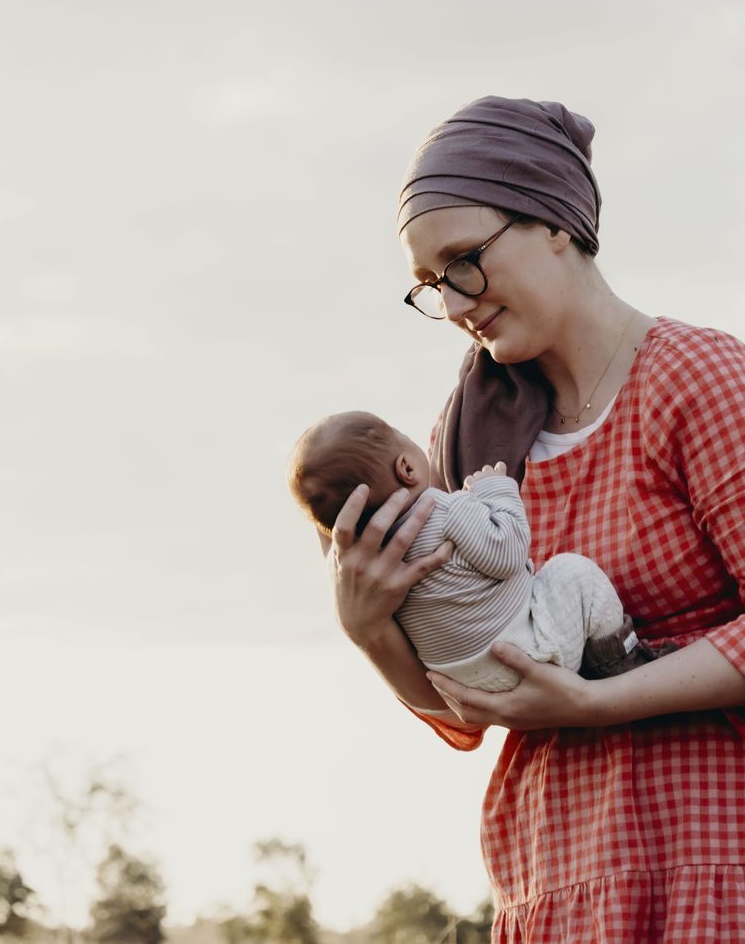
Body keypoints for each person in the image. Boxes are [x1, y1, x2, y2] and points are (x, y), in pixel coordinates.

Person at [321, 95, 745, 942]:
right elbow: (473, 701)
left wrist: (602, 703)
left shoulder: (699, 381)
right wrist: (370, 633)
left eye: (464, 261)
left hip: (713, 861)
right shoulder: (465, 438)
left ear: (554, 220)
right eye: (431, 285)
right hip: (555, 880)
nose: (454, 304)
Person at [289, 410, 660, 690]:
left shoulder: (376, 566)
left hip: (467, 684)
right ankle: (620, 661)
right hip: (525, 655)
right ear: (406, 467)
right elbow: (508, 553)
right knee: (572, 572)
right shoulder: (443, 508)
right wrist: (495, 489)